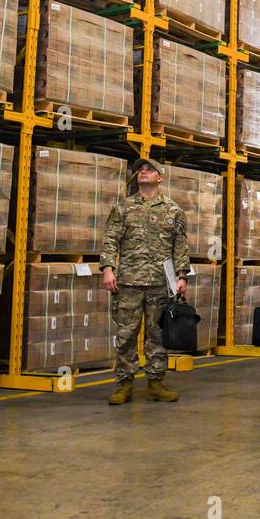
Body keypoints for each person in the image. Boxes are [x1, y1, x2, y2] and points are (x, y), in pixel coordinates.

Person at [100, 157, 191, 405]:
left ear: (160, 177)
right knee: (126, 334)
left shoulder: (173, 211)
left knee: (158, 334)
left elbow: (180, 246)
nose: (143, 172)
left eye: (150, 170)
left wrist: (182, 277)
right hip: (128, 282)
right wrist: (108, 269)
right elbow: (111, 240)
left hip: (161, 283)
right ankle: (124, 384)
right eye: (140, 169)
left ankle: (155, 382)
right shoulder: (123, 208)